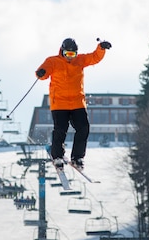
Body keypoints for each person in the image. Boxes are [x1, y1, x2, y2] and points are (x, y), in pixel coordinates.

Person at [35, 37, 112, 170]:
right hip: (60, 103)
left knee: (83, 128)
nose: (70, 57)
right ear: (62, 52)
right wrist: (40, 73)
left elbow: (94, 57)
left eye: (72, 54)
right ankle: (57, 156)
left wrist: (101, 48)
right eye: (67, 54)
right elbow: (43, 72)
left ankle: (77, 157)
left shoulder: (80, 60)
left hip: (77, 102)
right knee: (60, 130)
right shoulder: (53, 61)